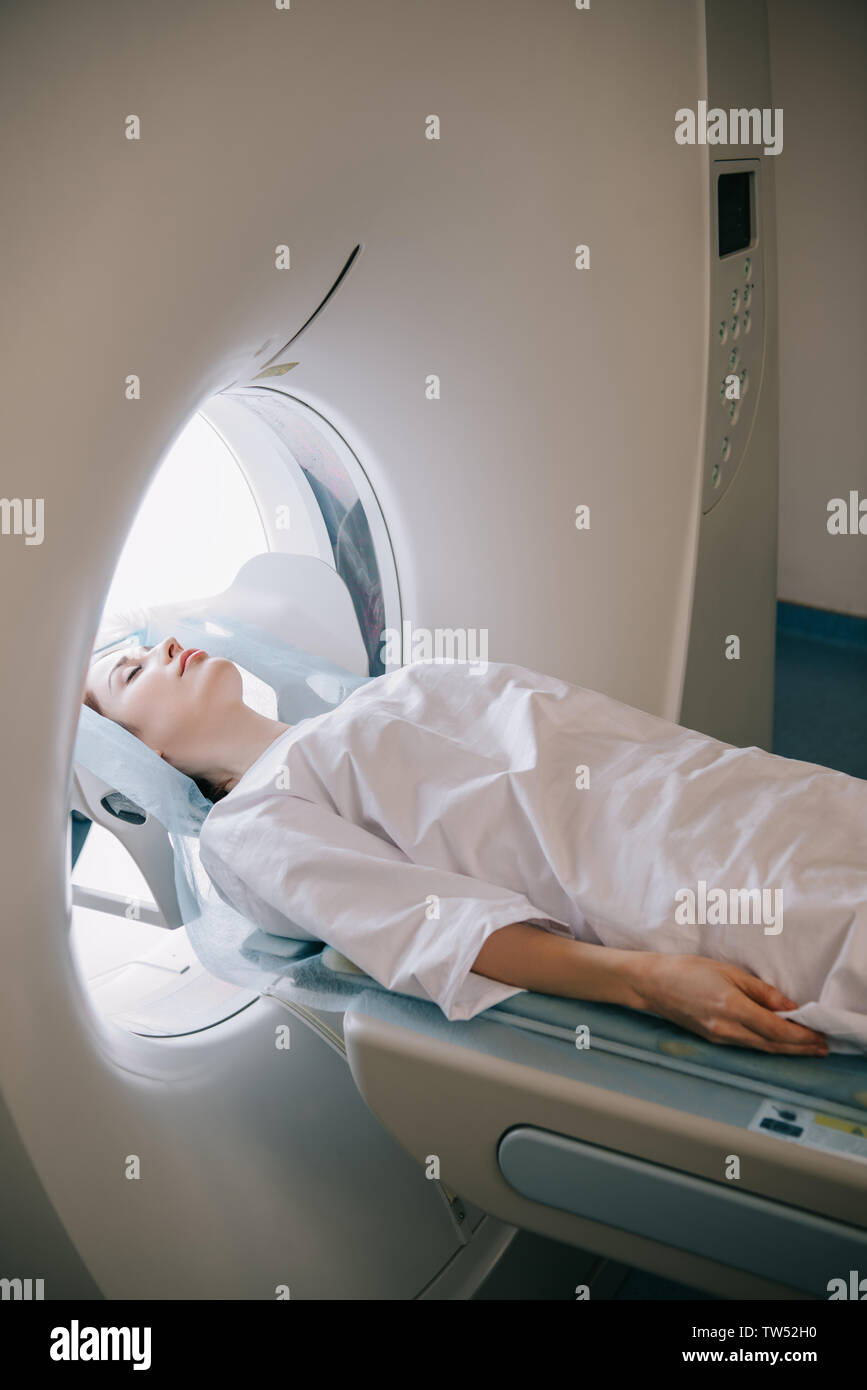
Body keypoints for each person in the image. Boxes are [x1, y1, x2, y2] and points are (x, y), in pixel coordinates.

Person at [82, 637, 867, 1055]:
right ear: (136, 757)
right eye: (132, 670)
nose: (167, 647)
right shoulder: (249, 826)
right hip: (684, 879)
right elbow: (437, 929)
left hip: (736, 796)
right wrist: (650, 983)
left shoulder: (380, 695)